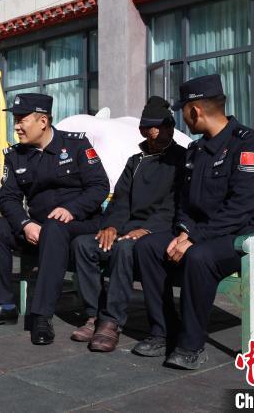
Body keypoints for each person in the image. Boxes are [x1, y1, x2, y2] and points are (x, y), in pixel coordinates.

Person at [133, 75, 254, 369]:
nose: (182, 119)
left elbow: (241, 209)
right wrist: (184, 231)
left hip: (245, 240)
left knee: (199, 257)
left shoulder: (248, 144)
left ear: (194, 111)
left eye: (183, 111)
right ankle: (163, 331)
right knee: (147, 247)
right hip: (201, 235)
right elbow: (185, 202)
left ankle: (191, 345)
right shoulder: (196, 150)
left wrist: (195, 238)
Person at [0, 93, 110, 345]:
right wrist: (26, 224)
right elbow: (8, 198)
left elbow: (99, 186)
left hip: (80, 224)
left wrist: (72, 209)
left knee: (55, 227)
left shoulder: (76, 145)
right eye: (15, 120)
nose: (16, 126)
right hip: (39, 227)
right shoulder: (16, 155)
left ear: (43, 121)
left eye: (21, 120)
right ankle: (2, 306)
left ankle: (41, 315)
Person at [71, 96, 186, 352]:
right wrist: (111, 226)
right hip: (126, 229)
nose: (160, 132)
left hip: (159, 232)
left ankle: (111, 321)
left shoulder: (181, 159)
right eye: (153, 128)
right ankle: (94, 315)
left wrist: (147, 229)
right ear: (143, 130)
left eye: (165, 126)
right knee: (83, 245)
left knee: (125, 248)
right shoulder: (135, 160)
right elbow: (120, 200)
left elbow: (176, 203)